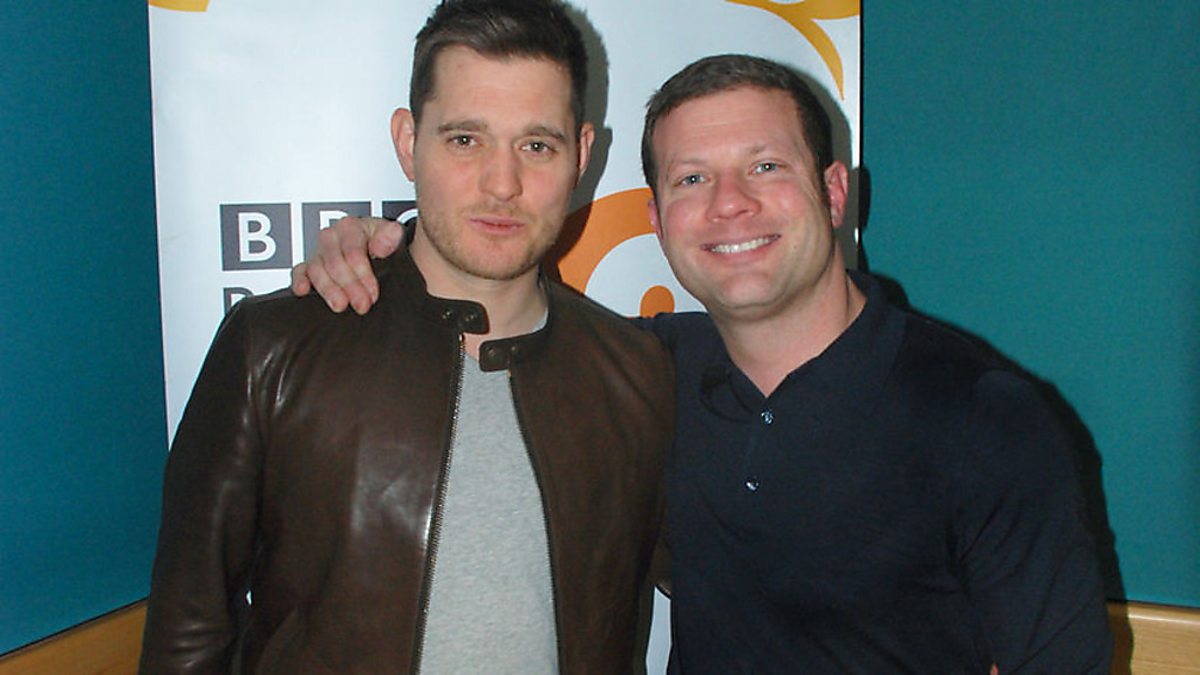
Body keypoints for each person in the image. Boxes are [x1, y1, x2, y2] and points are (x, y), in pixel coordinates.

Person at [294, 55, 1113, 672]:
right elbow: (492, 300)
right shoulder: (643, 371)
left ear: (834, 192)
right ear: (657, 219)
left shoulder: (983, 415)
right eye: (693, 178)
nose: (730, 204)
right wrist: (381, 254)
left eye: (765, 166)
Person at [139, 1, 674, 673]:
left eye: (536, 145)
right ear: (407, 141)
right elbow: (187, 635)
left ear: (583, 155)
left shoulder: (636, 373)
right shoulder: (272, 348)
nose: (502, 184)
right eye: (465, 139)